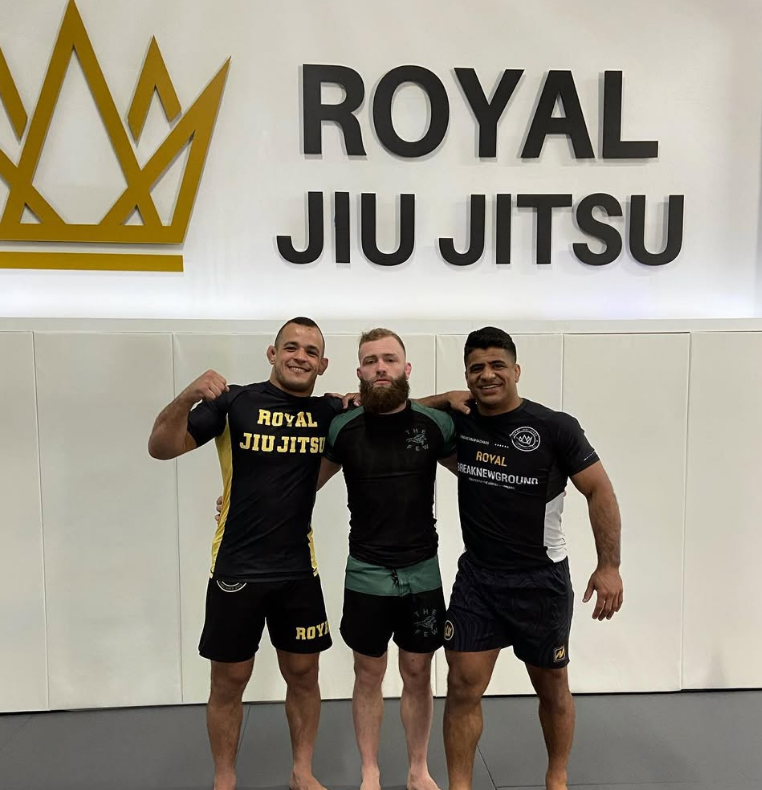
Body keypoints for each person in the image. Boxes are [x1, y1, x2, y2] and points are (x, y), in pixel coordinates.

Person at [148, 317, 342, 790]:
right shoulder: (235, 402)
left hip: (299, 568)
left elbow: (393, 408)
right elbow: (161, 447)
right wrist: (188, 395)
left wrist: (443, 400)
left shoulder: (331, 411)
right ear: (272, 353)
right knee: (229, 681)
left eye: (311, 351)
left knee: (303, 674)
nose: (300, 356)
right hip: (237, 567)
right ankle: (225, 779)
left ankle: (301, 772)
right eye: (291, 347)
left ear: (323, 364)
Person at [427, 326, 623, 790]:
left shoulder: (555, 427)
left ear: (516, 370)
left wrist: (609, 565)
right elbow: (400, 412)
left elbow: (599, 489)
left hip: (541, 581)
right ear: (466, 376)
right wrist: (443, 398)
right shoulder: (461, 422)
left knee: (552, 685)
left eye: (498, 365)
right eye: (476, 368)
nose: (487, 375)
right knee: (462, 685)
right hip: (478, 580)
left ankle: (557, 777)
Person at [317, 328, 456, 790]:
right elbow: (300, 485)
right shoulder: (342, 428)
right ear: (358, 371)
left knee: (418, 672)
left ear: (406, 369)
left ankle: (418, 769)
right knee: (368, 672)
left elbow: (482, 473)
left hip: (422, 572)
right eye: (371, 360)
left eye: (390, 360)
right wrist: (238, 500)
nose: (381, 367)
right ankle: (370, 771)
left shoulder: (435, 425)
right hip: (366, 574)